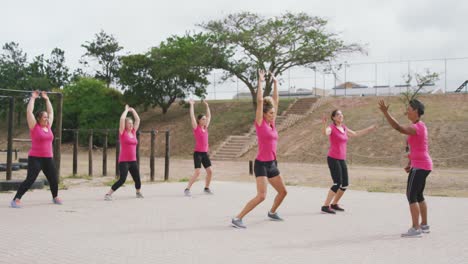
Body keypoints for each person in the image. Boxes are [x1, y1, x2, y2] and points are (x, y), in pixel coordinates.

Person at [231, 70, 287, 228]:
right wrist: (260, 81)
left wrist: (276, 83)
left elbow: (275, 100)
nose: (273, 115)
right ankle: (238, 218)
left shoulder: (272, 123)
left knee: (283, 192)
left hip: (272, 163)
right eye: (270, 113)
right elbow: (261, 100)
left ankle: (272, 212)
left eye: (274, 113)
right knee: (262, 196)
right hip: (261, 164)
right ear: (264, 114)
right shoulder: (260, 123)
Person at [378, 99, 432, 237]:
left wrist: (386, 112)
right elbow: (418, 147)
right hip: (421, 164)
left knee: (411, 195)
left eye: (409, 108)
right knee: (418, 195)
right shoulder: (419, 125)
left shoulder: (417, 127)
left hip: (420, 166)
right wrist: (410, 163)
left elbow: (398, 128)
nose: (406, 111)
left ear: (415, 111)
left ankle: (416, 228)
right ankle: (424, 225)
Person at [11, 91, 62, 208]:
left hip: (48, 158)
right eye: (44, 117)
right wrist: (33, 98)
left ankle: (55, 197)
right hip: (36, 158)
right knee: (30, 180)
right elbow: (29, 112)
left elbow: (51, 112)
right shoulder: (34, 126)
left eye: (47, 117)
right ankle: (16, 199)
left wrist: (47, 99)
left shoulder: (48, 126)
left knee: (53, 179)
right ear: (39, 118)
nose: (47, 118)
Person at [320, 109, 376, 214]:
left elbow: (355, 133)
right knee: (337, 183)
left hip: (342, 159)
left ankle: (334, 204)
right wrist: (324, 124)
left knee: (344, 184)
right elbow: (325, 132)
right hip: (333, 158)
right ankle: (325, 206)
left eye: (341, 114)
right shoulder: (331, 128)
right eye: (337, 114)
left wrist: (369, 129)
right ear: (333, 118)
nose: (340, 116)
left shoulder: (344, 128)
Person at [105, 105, 143, 200]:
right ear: (125, 125)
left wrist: (133, 110)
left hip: (133, 160)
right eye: (129, 123)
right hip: (124, 161)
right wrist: (126, 111)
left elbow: (138, 120)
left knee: (137, 178)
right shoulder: (122, 133)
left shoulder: (133, 132)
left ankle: (138, 192)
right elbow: (122, 119)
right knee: (122, 180)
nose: (131, 125)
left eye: (131, 123)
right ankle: (108, 194)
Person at [184, 99, 213, 197]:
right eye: (203, 119)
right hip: (198, 153)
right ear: (199, 120)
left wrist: (207, 106)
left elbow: (209, 116)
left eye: (205, 119)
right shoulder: (196, 128)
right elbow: (192, 116)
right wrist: (191, 105)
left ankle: (206, 188)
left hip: (205, 153)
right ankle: (187, 189)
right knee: (197, 172)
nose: (205, 120)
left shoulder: (205, 128)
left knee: (210, 171)